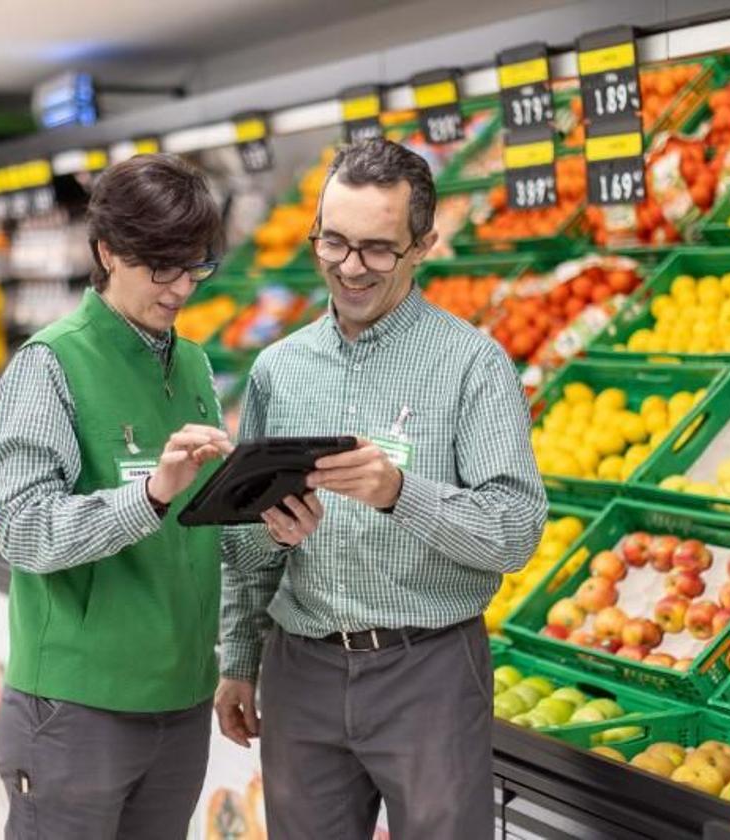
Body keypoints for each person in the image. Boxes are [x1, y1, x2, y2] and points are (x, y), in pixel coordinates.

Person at [217, 138, 547, 839]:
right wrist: (240, 658)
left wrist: (401, 491)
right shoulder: (279, 369)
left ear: (423, 245)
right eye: (332, 243)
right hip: (299, 665)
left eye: (376, 248)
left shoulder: (473, 365)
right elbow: (245, 546)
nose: (349, 268)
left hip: (427, 669)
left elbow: (515, 530)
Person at [0, 154, 231, 840]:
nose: (182, 287)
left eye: (195, 266)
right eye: (162, 267)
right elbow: (23, 529)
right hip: (76, 708)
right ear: (106, 252)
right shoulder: (51, 364)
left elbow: (201, 522)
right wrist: (149, 496)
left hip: (181, 698)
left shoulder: (192, 363)